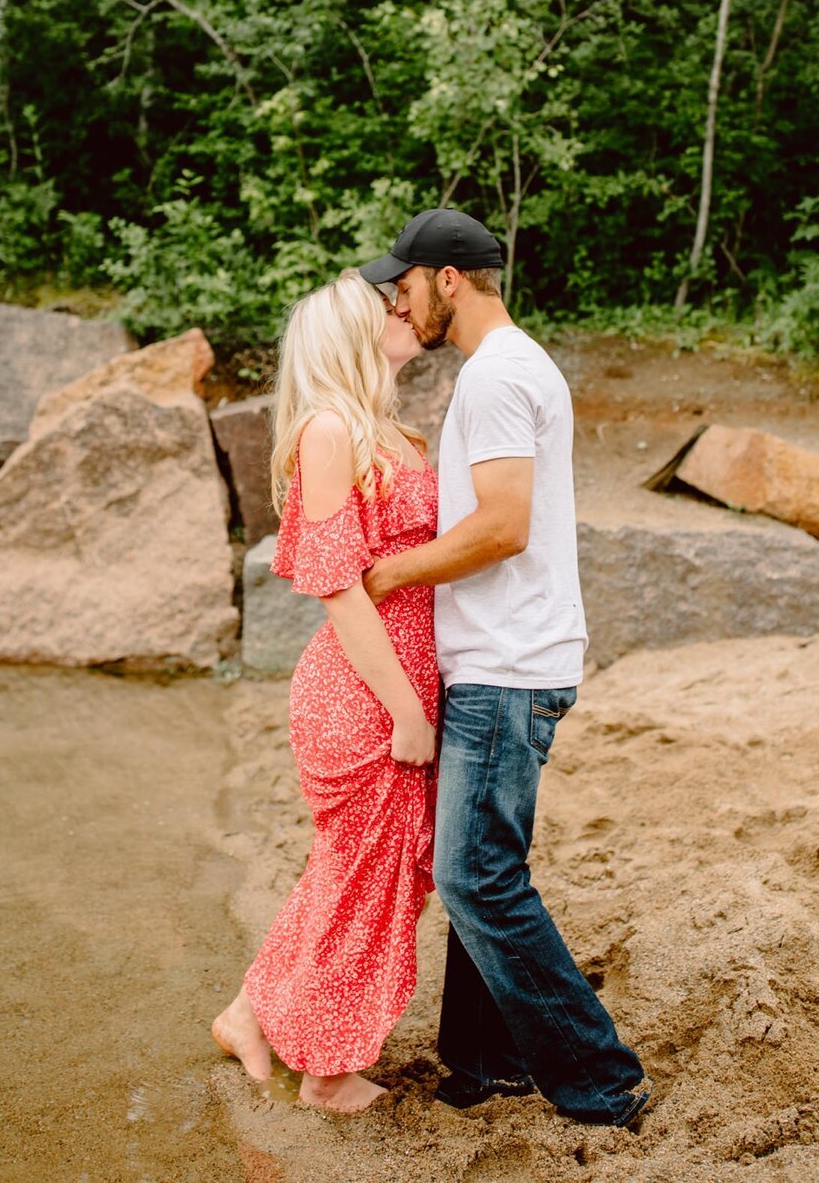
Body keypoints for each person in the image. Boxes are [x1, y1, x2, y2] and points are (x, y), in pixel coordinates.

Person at [359, 208, 650, 1128]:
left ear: (448, 279)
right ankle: (485, 1057)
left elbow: (502, 525)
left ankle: (602, 1078)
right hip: (514, 657)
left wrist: (389, 572)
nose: (397, 299)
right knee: (485, 864)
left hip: (506, 666)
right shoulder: (515, 367)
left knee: (477, 875)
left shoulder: (495, 375)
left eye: (404, 283)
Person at [213, 271, 438, 1112]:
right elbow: (339, 587)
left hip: (400, 681)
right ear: (352, 331)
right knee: (367, 874)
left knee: (357, 870)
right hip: (365, 694)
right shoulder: (330, 430)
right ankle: (329, 1070)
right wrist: (408, 710)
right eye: (383, 307)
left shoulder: (386, 428)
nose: (401, 309)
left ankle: (250, 1012)